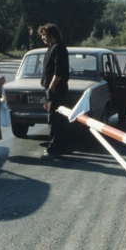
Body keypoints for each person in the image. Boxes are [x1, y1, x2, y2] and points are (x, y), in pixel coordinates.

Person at [38, 23, 69, 159]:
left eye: (44, 35)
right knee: (55, 119)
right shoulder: (52, 47)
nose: (43, 38)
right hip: (53, 88)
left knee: (55, 120)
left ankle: (54, 149)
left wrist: (51, 86)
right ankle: (57, 145)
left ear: (52, 34)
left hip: (57, 89)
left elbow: (59, 71)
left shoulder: (59, 48)